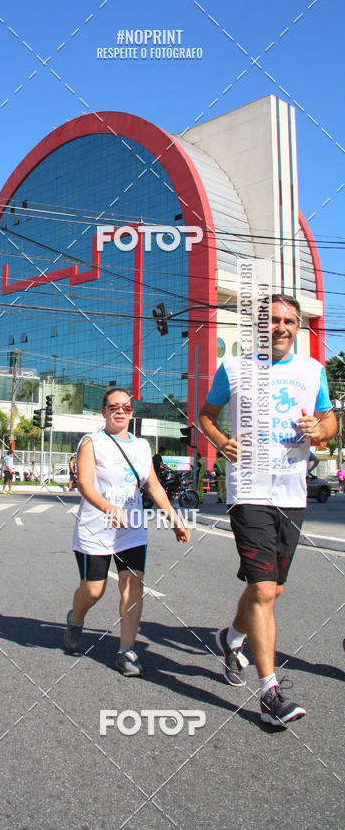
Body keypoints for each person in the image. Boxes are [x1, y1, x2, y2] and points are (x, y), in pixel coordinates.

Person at [199, 294, 336, 726]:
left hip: (293, 493)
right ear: (261, 327)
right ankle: (269, 691)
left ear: (299, 327)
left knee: (272, 589)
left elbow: (331, 422)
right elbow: (205, 415)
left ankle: (230, 637)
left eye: (289, 321)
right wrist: (222, 443)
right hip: (250, 490)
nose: (281, 327)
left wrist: (319, 428)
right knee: (262, 590)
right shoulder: (235, 368)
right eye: (273, 320)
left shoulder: (313, 370)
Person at [63, 387, 190, 675]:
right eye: (113, 407)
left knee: (134, 587)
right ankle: (76, 618)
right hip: (95, 530)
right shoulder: (91, 442)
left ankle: (126, 651)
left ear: (132, 413)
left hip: (131, 529)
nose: (120, 411)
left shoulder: (142, 446)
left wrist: (174, 520)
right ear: (103, 412)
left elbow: (153, 486)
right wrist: (108, 508)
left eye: (126, 407)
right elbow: (85, 484)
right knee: (94, 590)